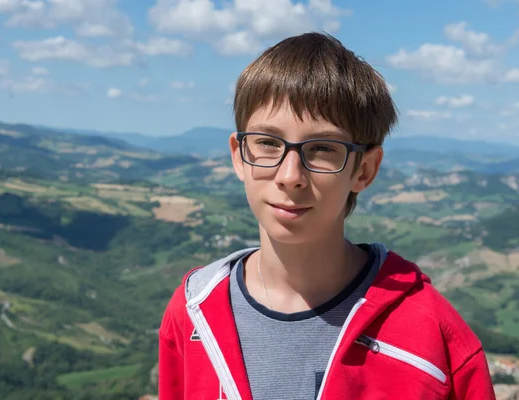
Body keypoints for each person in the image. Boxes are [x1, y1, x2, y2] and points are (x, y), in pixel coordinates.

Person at [157, 32, 495, 400]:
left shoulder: (434, 337)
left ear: (364, 170)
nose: (290, 177)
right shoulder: (192, 311)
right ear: (239, 155)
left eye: (321, 149)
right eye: (268, 143)